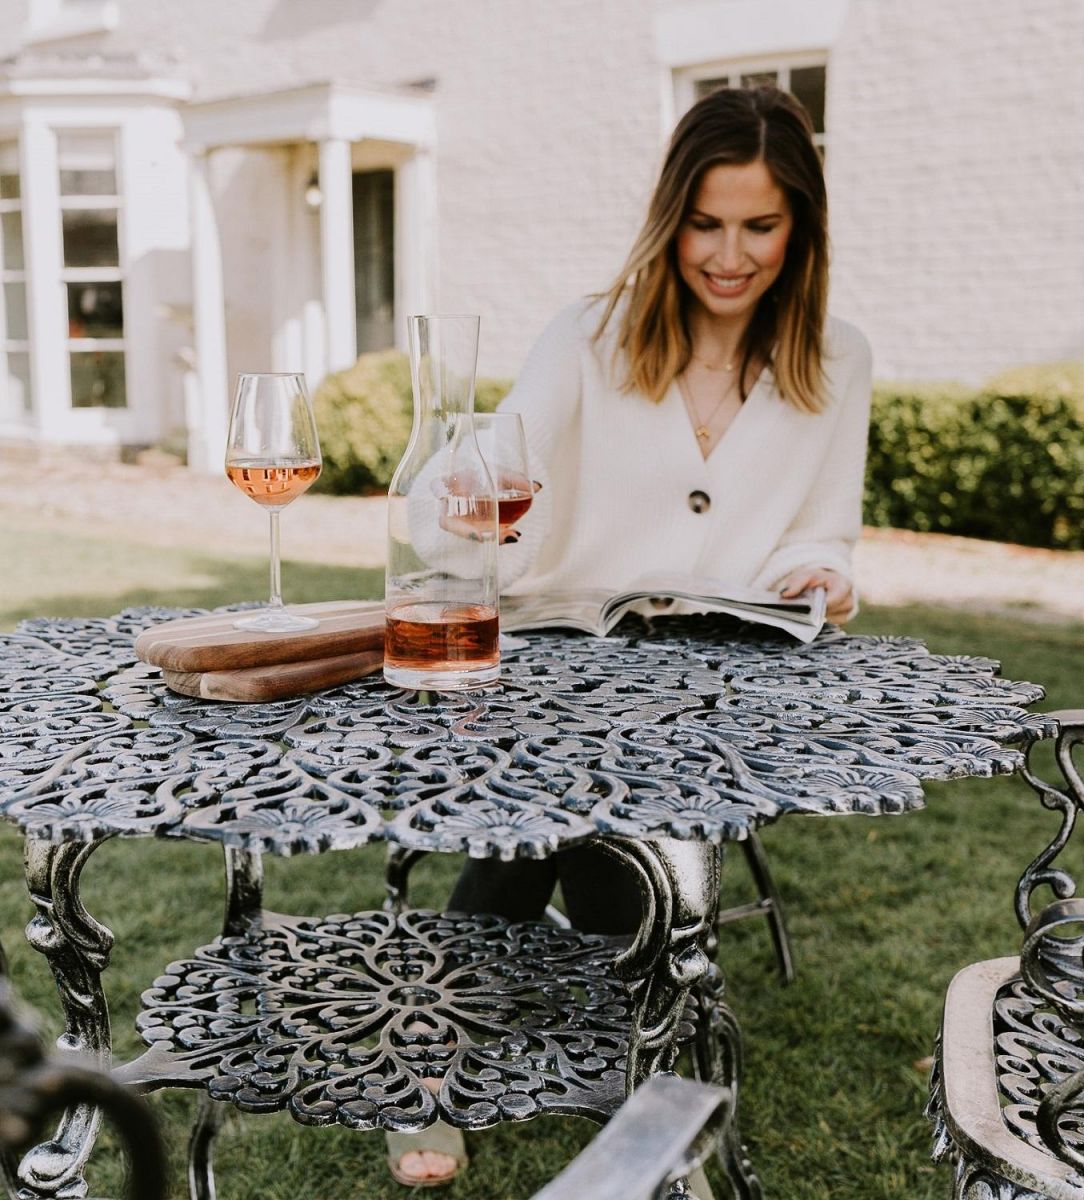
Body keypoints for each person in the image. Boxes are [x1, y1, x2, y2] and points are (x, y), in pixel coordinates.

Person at [387, 83, 872, 1189]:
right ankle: (650, 1067)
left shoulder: (837, 358)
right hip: (560, 659)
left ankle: (439, 1061)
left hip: (710, 687)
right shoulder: (592, 335)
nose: (730, 256)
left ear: (800, 226)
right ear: (671, 219)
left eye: (760, 225)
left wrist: (821, 574)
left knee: (556, 836)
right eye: (705, 224)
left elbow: (825, 530)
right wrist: (469, 497)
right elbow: (487, 469)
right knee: (571, 823)